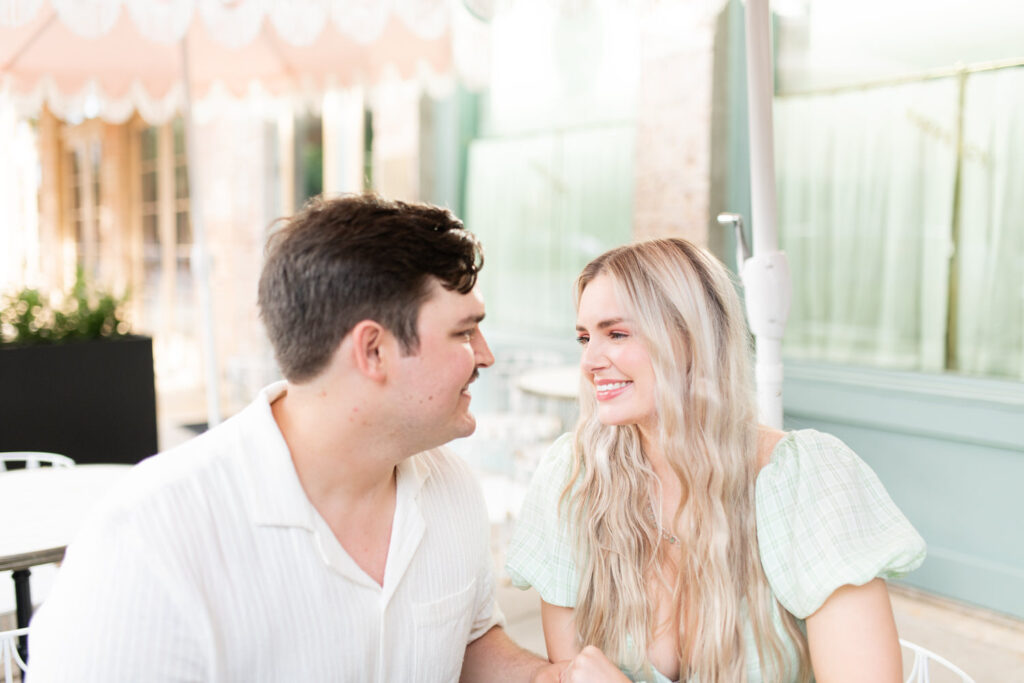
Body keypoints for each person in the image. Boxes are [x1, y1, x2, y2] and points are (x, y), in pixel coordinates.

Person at [27, 194, 563, 682]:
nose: (485, 356)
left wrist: (545, 679)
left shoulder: (452, 486)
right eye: (464, 332)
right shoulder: (145, 544)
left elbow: (467, 642)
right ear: (373, 351)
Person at [505, 238, 926, 683]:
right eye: (584, 338)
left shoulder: (807, 482)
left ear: (689, 338)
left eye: (617, 334)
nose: (589, 361)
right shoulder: (575, 480)